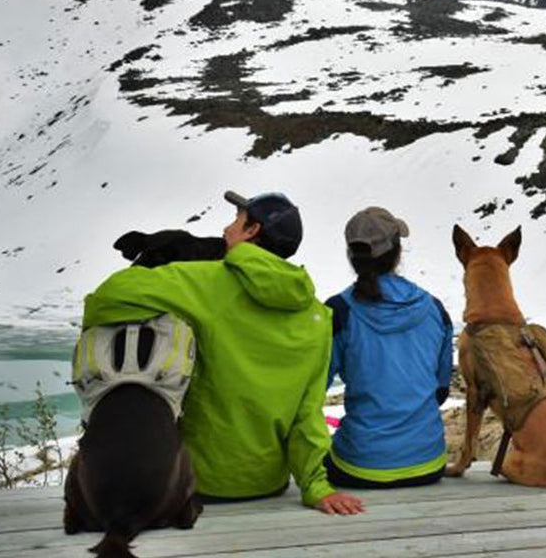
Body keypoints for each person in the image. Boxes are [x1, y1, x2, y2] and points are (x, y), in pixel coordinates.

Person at [82, 190, 364, 515]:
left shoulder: (206, 283)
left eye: (237, 220)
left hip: (197, 484)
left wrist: (168, 255)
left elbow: (105, 299)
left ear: (252, 231)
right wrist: (316, 486)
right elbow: (307, 415)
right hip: (268, 484)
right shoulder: (317, 316)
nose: (226, 229)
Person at [324, 207, 455, 488]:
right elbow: (441, 390)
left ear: (352, 256)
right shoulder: (434, 308)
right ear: (397, 253)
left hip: (359, 466)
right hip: (429, 463)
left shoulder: (339, 311)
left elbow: (313, 388)